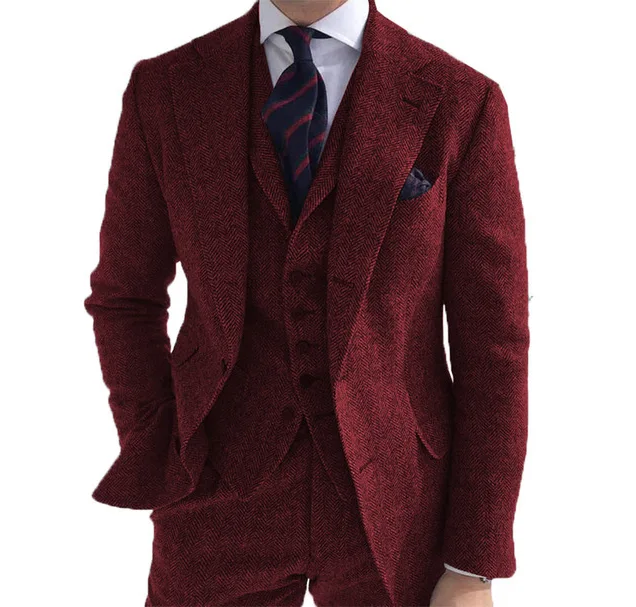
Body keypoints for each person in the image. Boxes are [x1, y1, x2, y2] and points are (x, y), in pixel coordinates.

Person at [83, 0, 529, 604]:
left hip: (399, 505)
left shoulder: (462, 101)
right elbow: (125, 297)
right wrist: (159, 443)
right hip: (215, 495)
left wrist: (474, 563)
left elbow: (493, 344)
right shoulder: (166, 89)